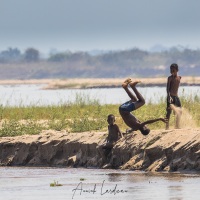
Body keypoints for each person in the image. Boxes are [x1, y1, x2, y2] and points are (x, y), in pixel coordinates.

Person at [165, 63, 182, 129]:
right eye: (171, 70)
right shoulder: (170, 78)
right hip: (170, 96)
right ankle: (167, 126)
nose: (172, 71)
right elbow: (167, 88)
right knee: (169, 111)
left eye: (173, 70)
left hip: (176, 97)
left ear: (177, 70)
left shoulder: (179, 78)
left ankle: (177, 125)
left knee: (179, 111)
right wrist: (169, 97)